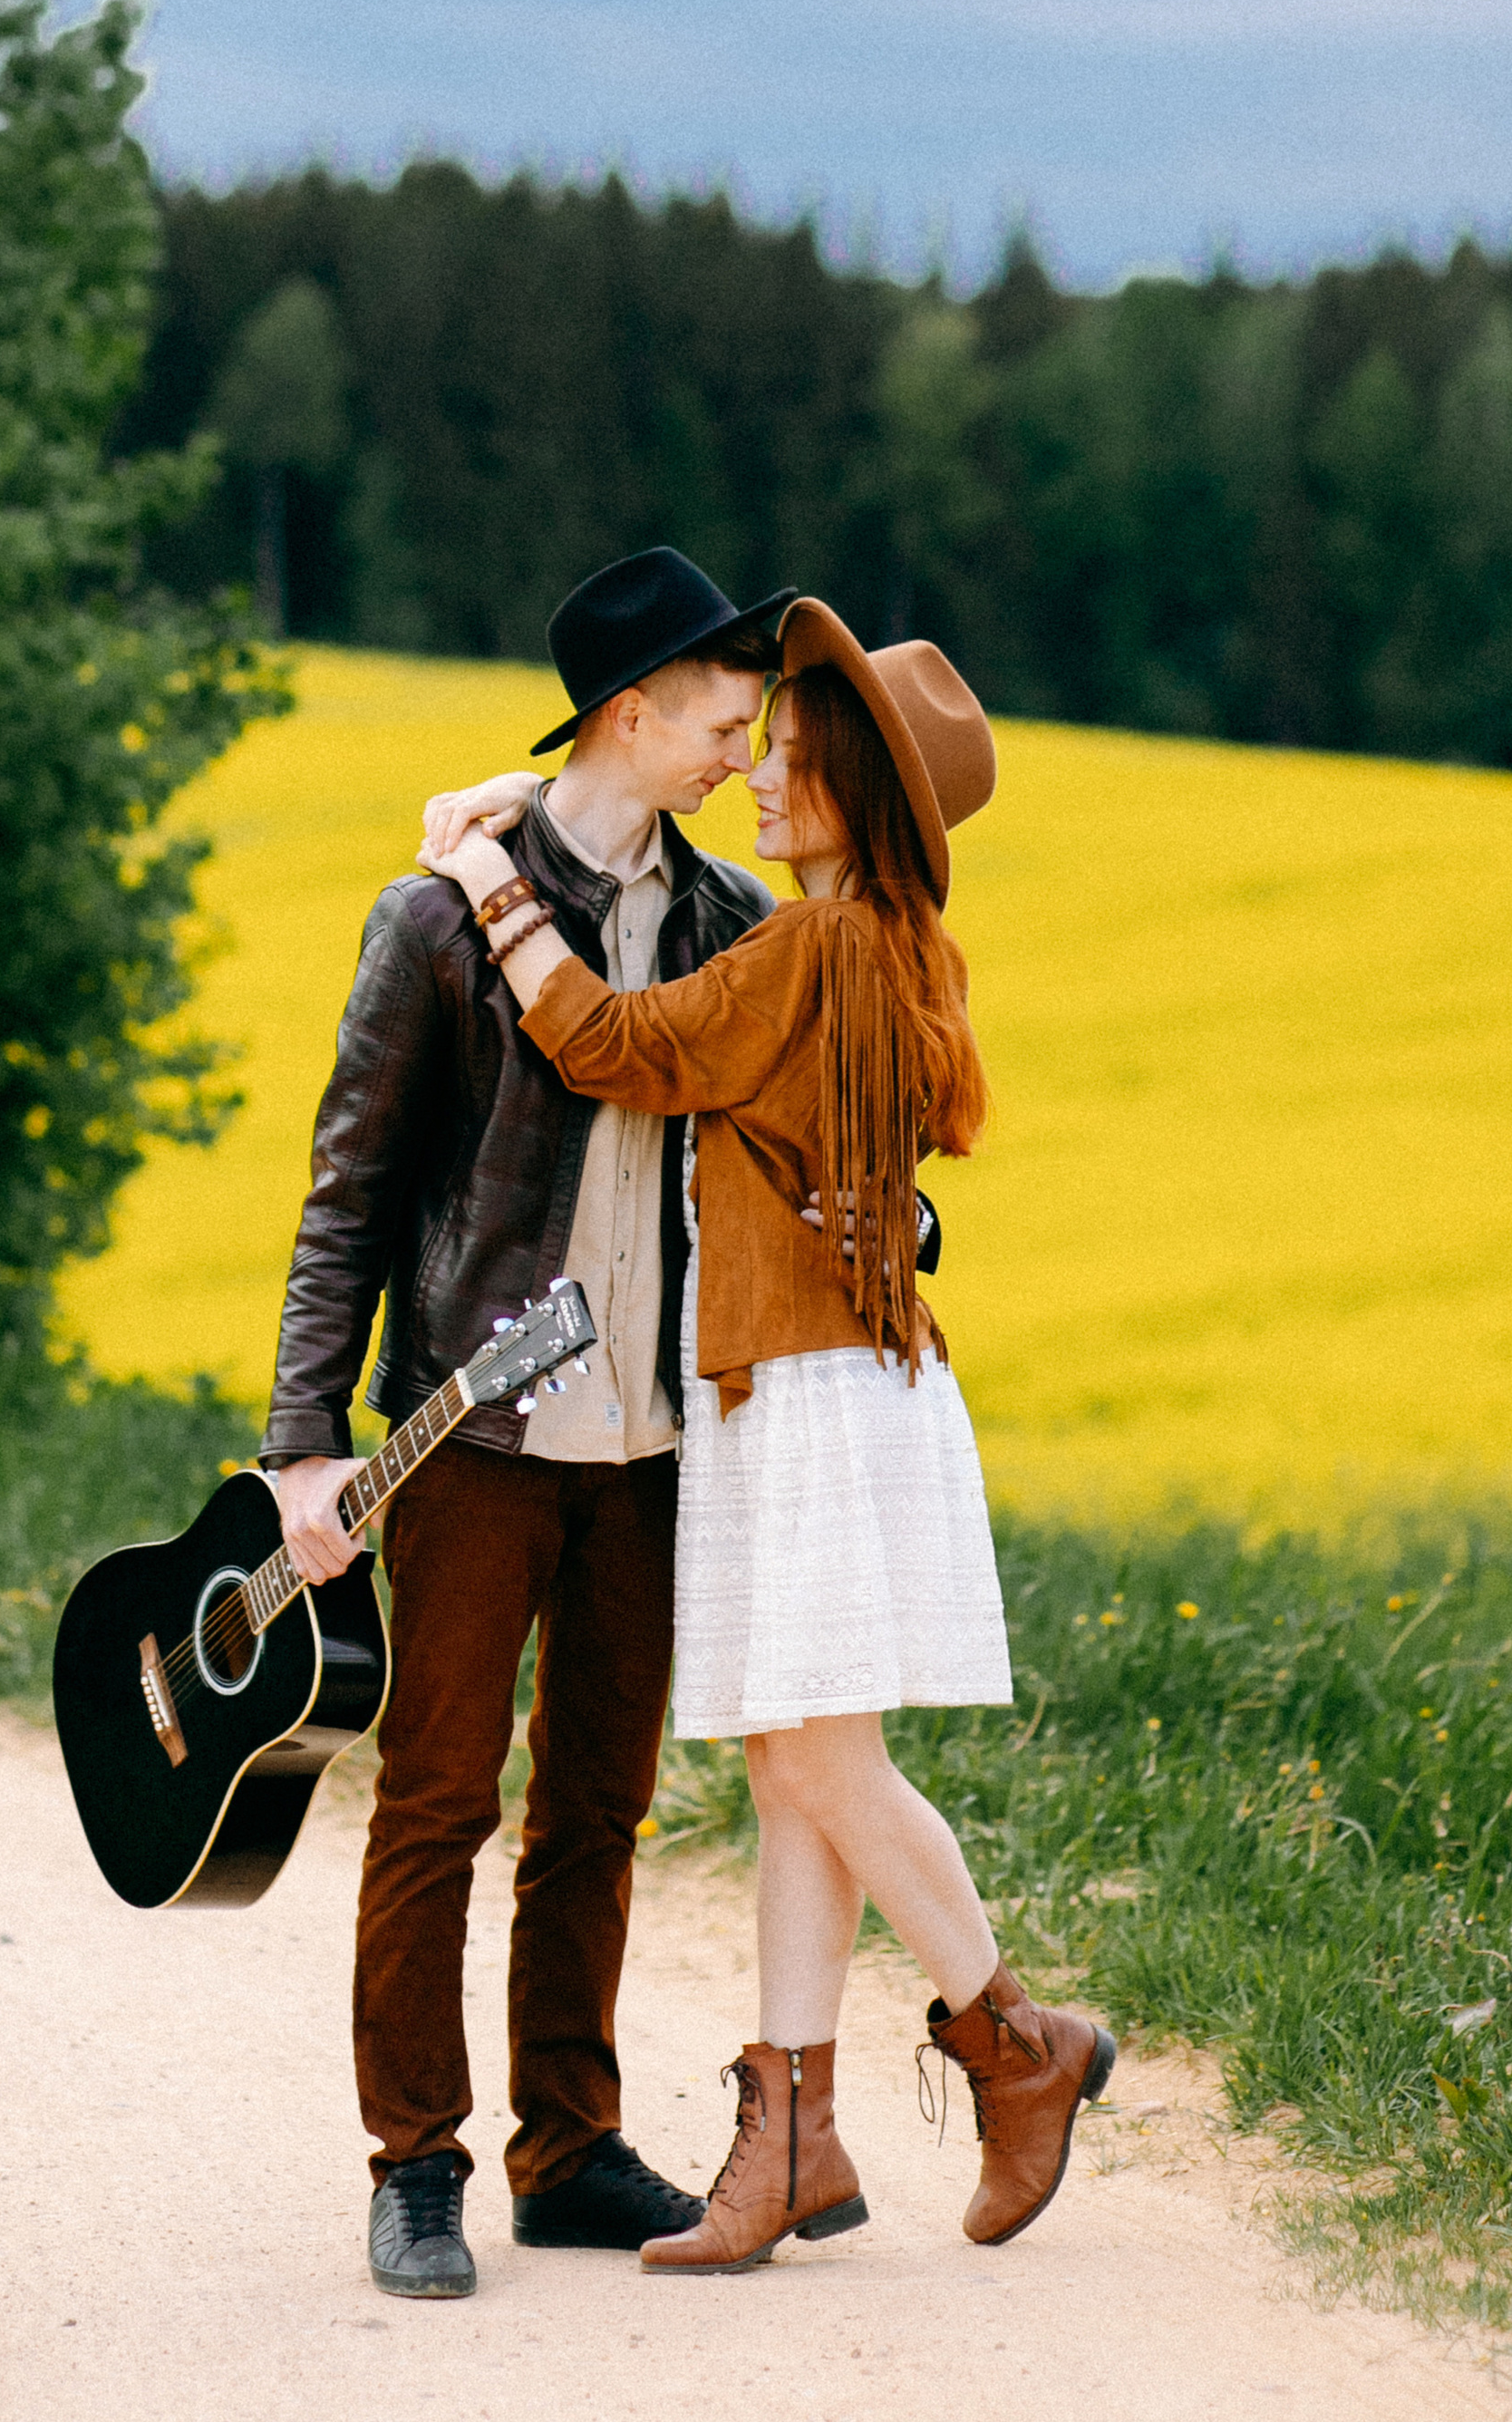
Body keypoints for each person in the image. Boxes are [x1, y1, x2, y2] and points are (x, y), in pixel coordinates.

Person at [419, 596, 1115, 2275]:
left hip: (801, 1391)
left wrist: (483, 875)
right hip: (820, 1382)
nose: (757, 778)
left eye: (790, 758)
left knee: (813, 1761)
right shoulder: (885, 950)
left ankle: (1018, 2041)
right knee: (791, 1765)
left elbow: (604, 1042)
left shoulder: (813, 949)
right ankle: (794, 2131)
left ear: (861, 795)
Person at [259, 546, 790, 2300]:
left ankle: (568, 2154)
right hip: (470, 1446)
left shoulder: (727, 921)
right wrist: (304, 1447)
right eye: (721, 724)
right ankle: (415, 2163)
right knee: (435, 1801)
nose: (741, 753)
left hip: (652, 1449)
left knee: (597, 1813)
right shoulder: (435, 923)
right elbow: (349, 1193)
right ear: (630, 715)